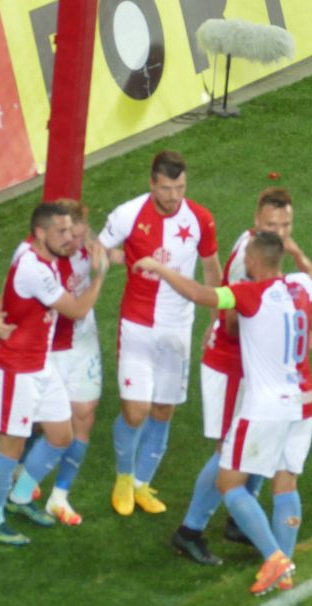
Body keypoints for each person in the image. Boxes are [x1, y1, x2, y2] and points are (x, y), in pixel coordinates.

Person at [135, 230, 312, 596]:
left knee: (229, 484)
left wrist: (159, 267)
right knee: (286, 483)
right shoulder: (300, 287)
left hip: (266, 407)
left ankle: (274, 559)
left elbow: (201, 295)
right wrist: (297, 252)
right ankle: (284, 568)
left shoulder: (249, 294)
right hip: (303, 404)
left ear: (251, 261)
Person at [172, 188, 312, 565]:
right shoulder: (248, 260)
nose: (281, 232)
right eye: (273, 224)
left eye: (286, 224)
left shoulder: (270, 251)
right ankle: (190, 530)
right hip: (231, 364)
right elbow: (234, 320)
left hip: (256, 368)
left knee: (256, 447)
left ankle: (242, 519)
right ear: (257, 221)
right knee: (230, 452)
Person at [98, 150, 221, 517]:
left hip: (178, 327)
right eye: (166, 189)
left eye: (180, 187)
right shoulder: (128, 214)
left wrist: (215, 321)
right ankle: (123, 477)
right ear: (152, 183)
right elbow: (95, 251)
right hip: (137, 322)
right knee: (136, 410)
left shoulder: (199, 218)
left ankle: (141, 484)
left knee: (164, 409)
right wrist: (115, 257)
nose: (174, 197)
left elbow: (211, 269)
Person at [0, 202, 108, 545]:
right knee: (10, 446)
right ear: (40, 233)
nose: (69, 238)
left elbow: (5, 297)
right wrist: (100, 275)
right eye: (61, 232)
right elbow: (78, 309)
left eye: (70, 230)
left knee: (61, 435)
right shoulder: (33, 268)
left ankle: (20, 498)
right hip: (16, 368)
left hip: (41, 365)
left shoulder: (40, 259)